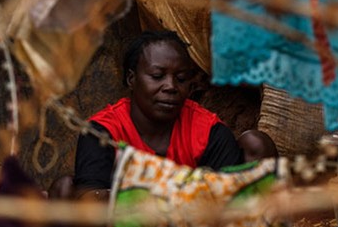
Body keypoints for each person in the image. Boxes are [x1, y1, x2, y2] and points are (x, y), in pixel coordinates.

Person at [73, 31, 244, 195]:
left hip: (191, 223)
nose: (171, 86)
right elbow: (88, 201)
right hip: (121, 222)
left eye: (181, 78)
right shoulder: (103, 131)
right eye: (157, 76)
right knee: (65, 187)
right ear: (131, 79)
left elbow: (226, 201)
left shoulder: (209, 132)